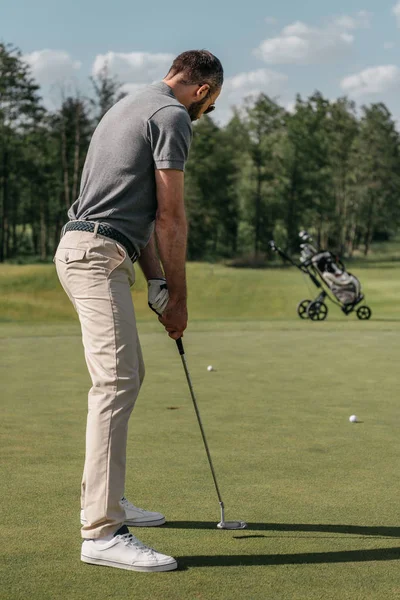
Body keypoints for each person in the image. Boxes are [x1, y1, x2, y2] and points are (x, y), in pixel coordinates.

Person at [54, 49, 223, 573]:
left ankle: (109, 498)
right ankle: (102, 531)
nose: (204, 113)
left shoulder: (130, 106)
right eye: (210, 105)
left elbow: (134, 214)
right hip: (95, 256)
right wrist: (180, 300)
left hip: (98, 248)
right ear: (202, 89)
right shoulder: (172, 116)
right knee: (116, 381)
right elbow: (171, 218)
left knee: (127, 375)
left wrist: (155, 281)